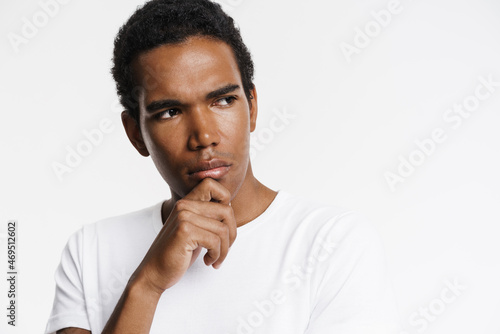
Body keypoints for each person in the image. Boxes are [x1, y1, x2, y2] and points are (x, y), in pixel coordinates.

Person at [45, 0, 401, 333]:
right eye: (170, 111)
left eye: (223, 100)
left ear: (253, 107)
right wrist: (148, 284)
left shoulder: (333, 244)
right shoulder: (91, 250)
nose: (203, 136)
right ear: (136, 134)